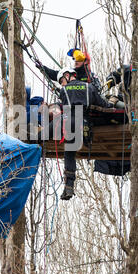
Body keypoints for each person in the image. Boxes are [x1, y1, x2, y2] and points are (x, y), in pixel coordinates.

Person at [57, 67, 111, 200]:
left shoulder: (63, 91)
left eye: (62, 81)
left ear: (67, 75)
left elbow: (64, 107)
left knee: (69, 153)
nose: (62, 84)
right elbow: (103, 104)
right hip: (85, 122)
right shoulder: (89, 87)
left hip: (70, 123)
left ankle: (69, 186)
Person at [35, 48, 102, 93]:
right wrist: (43, 68)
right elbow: (55, 74)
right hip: (72, 103)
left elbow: (98, 88)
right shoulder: (71, 73)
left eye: (78, 60)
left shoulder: (91, 76)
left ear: (85, 62)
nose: (75, 62)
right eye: (74, 59)